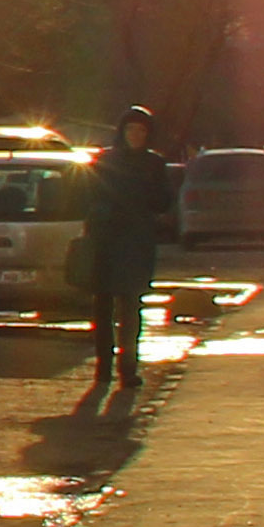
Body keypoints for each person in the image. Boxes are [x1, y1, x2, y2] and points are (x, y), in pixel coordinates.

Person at [79, 105, 178, 395]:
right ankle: (103, 368)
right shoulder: (105, 161)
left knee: (132, 308)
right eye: (131, 130)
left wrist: (146, 196)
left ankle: (128, 369)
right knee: (103, 307)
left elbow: (163, 202)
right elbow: (87, 195)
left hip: (136, 243)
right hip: (106, 241)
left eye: (142, 131)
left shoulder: (154, 165)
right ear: (122, 132)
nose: (136, 135)